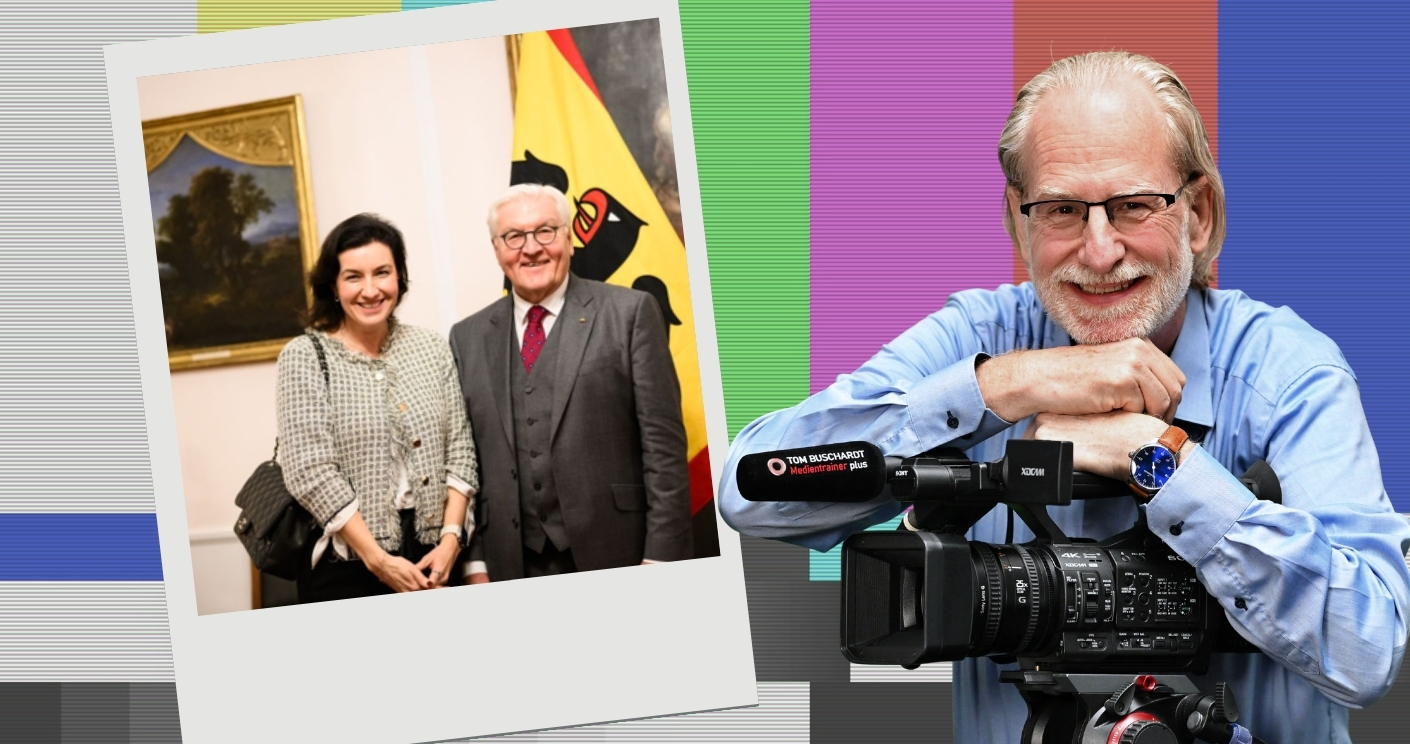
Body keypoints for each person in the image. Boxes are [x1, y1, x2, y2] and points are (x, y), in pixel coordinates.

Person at [718, 51, 1410, 743]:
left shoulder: (1287, 374)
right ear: (1020, 222)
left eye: (1134, 205)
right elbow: (752, 489)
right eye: (1062, 210)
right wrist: (1006, 385)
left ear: (1197, 213)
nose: (1100, 250)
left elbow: (1367, 651)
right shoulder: (982, 337)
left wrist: (1161, 462)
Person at [450, 183, 691, 582]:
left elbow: (664, 450)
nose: (531, 248)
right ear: (497, 249)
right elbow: (466, 459)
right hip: (509, 565)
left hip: (620, 554)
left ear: (570, 236)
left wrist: (661, 559)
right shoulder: (467, 337)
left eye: (546, 230)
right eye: (514, 237)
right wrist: (476, 564)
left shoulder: (630, 314)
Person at [276, 213, 478, 602]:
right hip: (345, 563)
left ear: (399, 278)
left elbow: (461, 449)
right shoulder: (303, 356)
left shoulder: (431, 347)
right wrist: (377, 559)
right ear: (333, 286)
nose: (370, 290)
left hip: (434, 558)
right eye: (353, 276)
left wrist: (451, 539)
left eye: (381, 272)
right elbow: (309, 470)